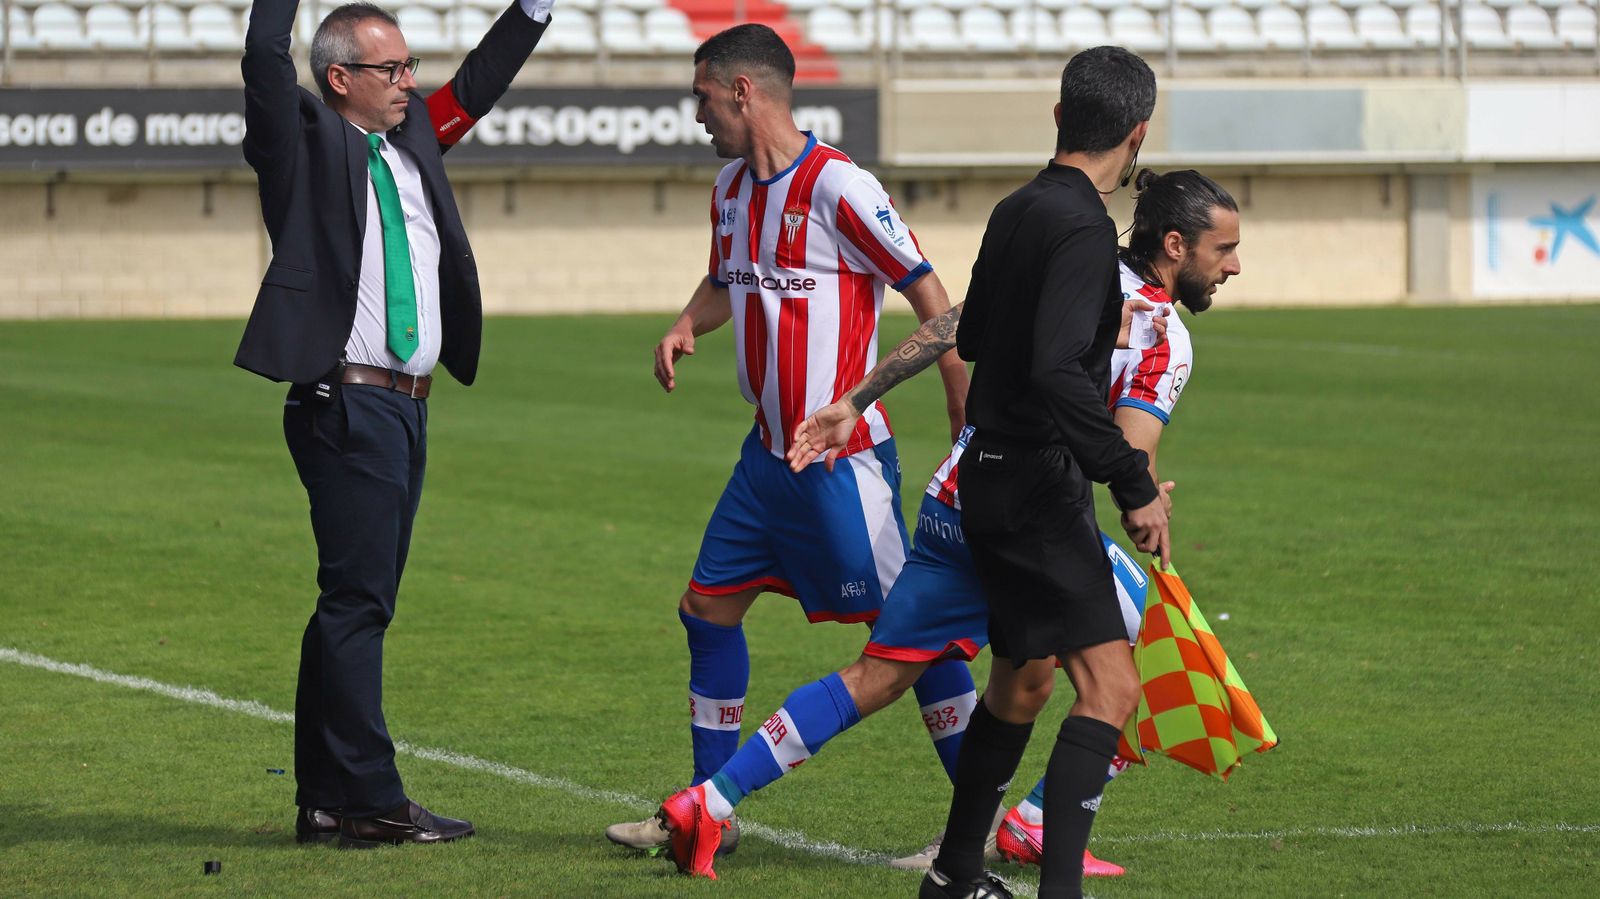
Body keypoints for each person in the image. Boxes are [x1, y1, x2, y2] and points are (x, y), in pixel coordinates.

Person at [648, 168, 1241, 883]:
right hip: (1032, 513)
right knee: (1132, 653)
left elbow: (951, 325)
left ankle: (711, 800)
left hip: (955, 498)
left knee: (892, 674)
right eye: (1223, 249)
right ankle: (1034, 826)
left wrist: (855, 399)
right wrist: (1147, 493)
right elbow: (1129, 449)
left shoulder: (1058, 255)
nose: (1233, 265)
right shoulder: (1162, 336)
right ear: (1176, 245)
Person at [602, 23, 971, 863]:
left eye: (702, 96)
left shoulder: (841, 184)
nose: (696, 115)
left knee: (917, 632)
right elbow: (727, 277)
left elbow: (936, 299)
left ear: (743, 92)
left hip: (843, 466)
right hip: (765, 459)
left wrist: (962, 408)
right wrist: (685, 323)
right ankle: (706, 813)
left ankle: (980, 821)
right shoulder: (731, 189)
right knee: (706, 608)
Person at [234, 0, 551, 848]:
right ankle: (372, 795)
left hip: (405, 407)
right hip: (349, 402)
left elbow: (477, 85)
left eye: (412, 67)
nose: (412, 82)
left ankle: (326, 797)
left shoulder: (413, 142)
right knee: (359, 605)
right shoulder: (301, 148)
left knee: (349, 603)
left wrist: (535, 9)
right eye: (394, 70)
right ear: (341, 79)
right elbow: (266, 60)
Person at [914, 46, 1168, 899]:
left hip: (983, 473)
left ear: (1059, 117)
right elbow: (1060, 370)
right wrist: (1130, 481)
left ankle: (954, 876)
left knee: (1023, 681)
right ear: (1138, 134)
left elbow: (978, 335)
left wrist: (1082, 316)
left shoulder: (1016, 206)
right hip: (1035, 484)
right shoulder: (1087, 226)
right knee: (1112, 686)